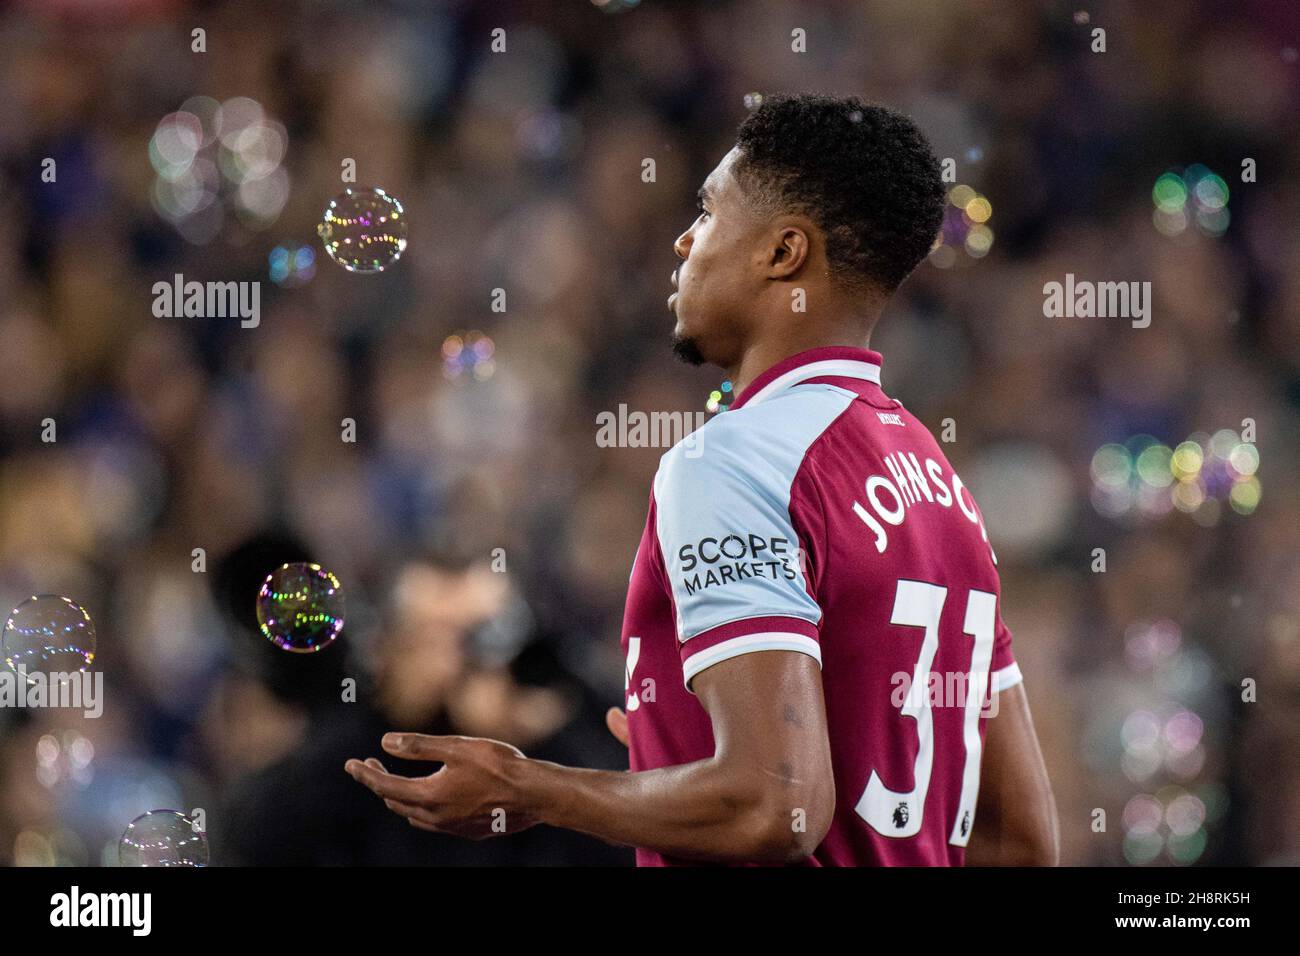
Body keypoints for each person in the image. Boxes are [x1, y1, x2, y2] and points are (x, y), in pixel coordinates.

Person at [347, 93, 1059, 866]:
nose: (685, 240)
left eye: (710, 213)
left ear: (783, 254)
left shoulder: (735, 459)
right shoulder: (938, 480)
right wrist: (678, 776)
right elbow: (1021, 841)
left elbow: (773, 806)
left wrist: (534, 788)